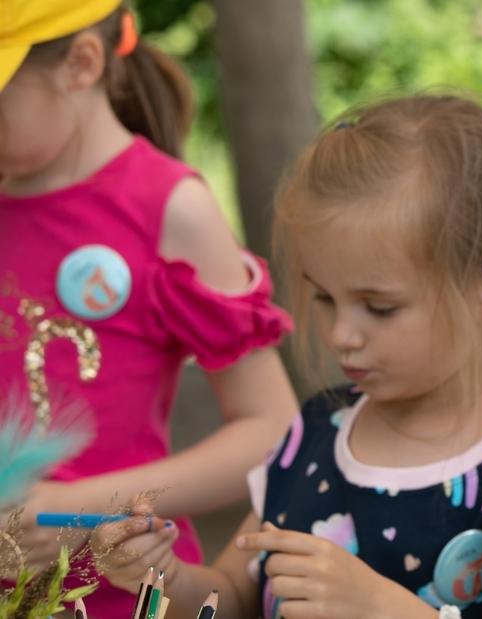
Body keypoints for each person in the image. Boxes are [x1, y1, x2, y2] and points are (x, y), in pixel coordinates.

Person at [94, 94, 482, 619]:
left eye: (378, 307)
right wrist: (162, 578)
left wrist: (385, 608)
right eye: (323, 297)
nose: (342, 334)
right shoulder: (317, 431)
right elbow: (227, 598)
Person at [0, 1, 298, 616]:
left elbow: (270, 430)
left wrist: (79, 511)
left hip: (122, 597)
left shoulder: (170, 207)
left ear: (81, 62)